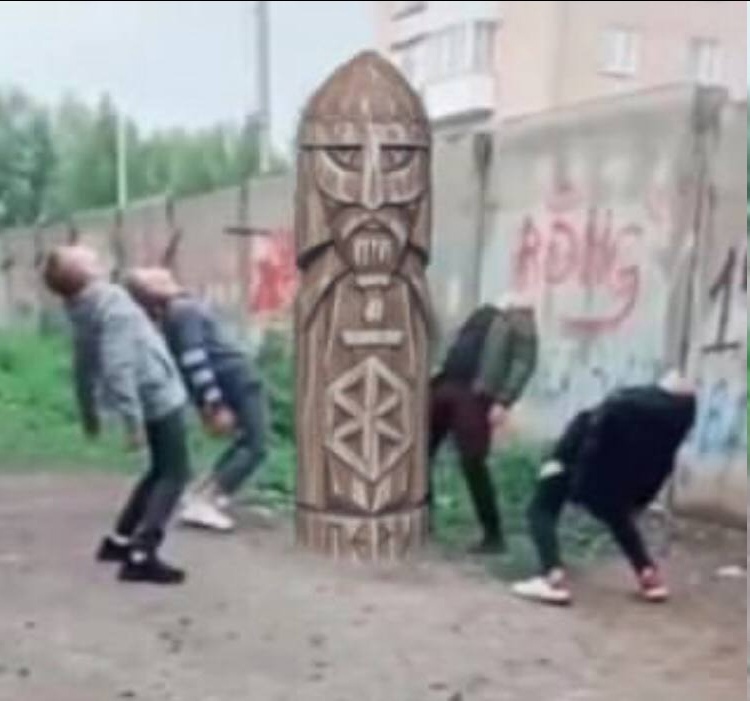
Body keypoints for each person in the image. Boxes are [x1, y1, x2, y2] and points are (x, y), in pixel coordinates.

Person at [42, 245, 190, 585]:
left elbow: (83, 364)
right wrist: (132, 421)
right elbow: (118, 366)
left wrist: (88, 410)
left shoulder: (81, 307)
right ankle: (142, 553)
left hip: (148, 395)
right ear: (85, 273)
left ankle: (120, 540)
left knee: (159, 471)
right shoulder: (113, 305)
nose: (89, 251)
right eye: (82, 254)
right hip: (155, 396)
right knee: (175, 473)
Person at [512, 371, 697, 606]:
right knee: (615, 514)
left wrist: (558, 460)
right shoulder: (678, 421)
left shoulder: (623, 404)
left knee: (541, 509)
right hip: (623, 482)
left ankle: (552, 578)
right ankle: (648, 574)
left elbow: (588, 432)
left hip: (586, 472)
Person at [125, 267, 267, 533]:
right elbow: (194, 360)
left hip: (231, 380)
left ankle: (203, 493)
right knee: (255, 446)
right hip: (233, 380)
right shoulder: (182, 310)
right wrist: (213, 405)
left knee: (245, 443)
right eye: (149, 274)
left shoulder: (176, 312)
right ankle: (207, 500)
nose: (157, 270)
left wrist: (206, 402)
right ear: (154, 289)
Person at [429, 291, 538, 553]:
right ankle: (425, 521)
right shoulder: (483, 313)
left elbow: (523, 364)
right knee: (420, 453)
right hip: (446, 385)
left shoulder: (521, 320)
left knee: (473, 463)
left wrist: (503, 401)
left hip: (476, 395)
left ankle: (493, 535)